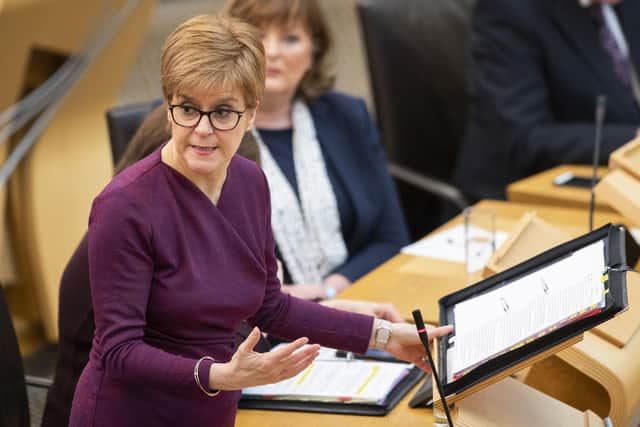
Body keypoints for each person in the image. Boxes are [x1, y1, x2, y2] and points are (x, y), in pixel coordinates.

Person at [68, 14, 451, 427]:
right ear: (168, 107)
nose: (202, 130)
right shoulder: (124, 205)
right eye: (187, 109)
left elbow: (272, 307)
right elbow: (119, 350)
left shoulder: (250, 182)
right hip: (131, 413)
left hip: (211, 406)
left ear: (250, 114)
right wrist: (221, 375)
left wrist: (385, 337)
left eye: (223, 112)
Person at [44, 102, 403, 426]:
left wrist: (366, 328)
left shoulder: (240, 187)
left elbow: (254, 311)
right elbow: (143, 347)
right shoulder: (124, 220)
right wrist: (225, 373)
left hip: (205, 406)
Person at [224, 0, 410, 301]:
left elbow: (390, 237)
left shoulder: (347, 116)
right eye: (258, 35)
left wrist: (331, 289)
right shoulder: (205, 129)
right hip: (257, 328)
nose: (272, 51)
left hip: (357, 305)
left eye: (290, 38)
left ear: (314, 52)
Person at [453, 0, 640, 201]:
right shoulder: (508, 9)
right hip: (523, 200)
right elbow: (526, 138)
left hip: (621, 180)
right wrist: (634, 140)